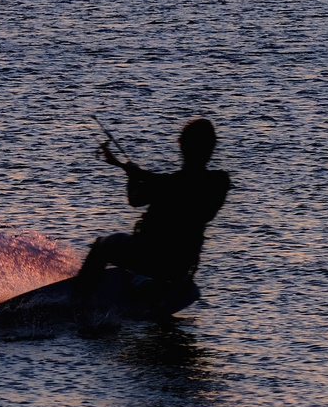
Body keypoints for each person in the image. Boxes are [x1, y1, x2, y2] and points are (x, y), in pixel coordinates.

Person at [71, 118, 231, 299]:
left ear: (182, 147)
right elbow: (172, 185)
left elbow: (135, 199)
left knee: (102, 245)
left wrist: (129, 171)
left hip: (147, 257)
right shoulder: (219, 182)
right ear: (211, 149)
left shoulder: (168, 183)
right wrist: (131, 171)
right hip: (180, 265)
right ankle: (147, 283)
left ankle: (79, 297)